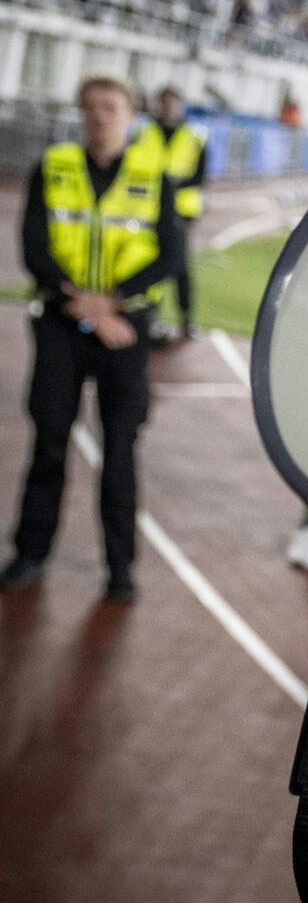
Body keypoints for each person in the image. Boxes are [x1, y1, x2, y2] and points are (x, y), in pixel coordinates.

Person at [1, 76, 182, 602]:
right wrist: (84, 306)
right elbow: (34, 247)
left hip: (126, 331)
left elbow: (168, 256)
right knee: (49, 441)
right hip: (62, 323)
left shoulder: (155, 176)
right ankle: (30, 552)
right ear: (81, 113)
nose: (100, 116)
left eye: (111, 107)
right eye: (91, 107)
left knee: (121, 448)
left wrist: (114, 303)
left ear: (131, 112)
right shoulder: (54, 168)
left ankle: (119, 567)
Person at [138, 86, 207, 339]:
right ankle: (150, 316)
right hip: (148, 209)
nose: (169, 108)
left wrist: (167, 187)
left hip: (182, 210)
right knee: (148, 259)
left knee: (179, 264)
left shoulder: (194, 136)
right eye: (164, 103)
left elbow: (200, 176)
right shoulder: (144, 132)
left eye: (173, 102)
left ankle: (186, 320)